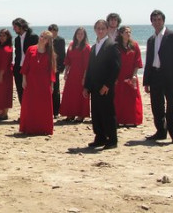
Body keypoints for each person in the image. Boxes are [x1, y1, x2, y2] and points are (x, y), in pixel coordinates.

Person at [143, 10, 173, 145]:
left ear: (163, 21)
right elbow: (149, 61)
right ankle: (161, 131)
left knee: (171, 105)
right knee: (157, 106)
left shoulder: (172, 35)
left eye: (159, 19)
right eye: (154, 20)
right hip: (154, 75)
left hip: (168, 76)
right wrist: (146, 81)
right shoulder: (151, 40)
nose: (157, 22)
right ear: (151, 22)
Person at [84, 20, 121, 150]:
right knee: (96, 113)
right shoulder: (94, 47)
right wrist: (86, 86)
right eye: (98, 28)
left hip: (105, 86)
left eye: (103, 28)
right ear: (95, 30)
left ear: (106, 30)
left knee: (108, 113)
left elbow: (115, 68)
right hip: (94, 86)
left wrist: (107, 85)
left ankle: (112, 139)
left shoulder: (112, 45)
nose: (100, 31)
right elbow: (90, 68)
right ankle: (100, 137)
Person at [19, 30, 56, 135]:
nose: (42, 39)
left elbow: (51, 71)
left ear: (48, 41)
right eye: (41, 36)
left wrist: (52, 85)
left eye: (45, 38)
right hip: (31, 82)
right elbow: (25, 66)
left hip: (44, 83)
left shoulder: (50, 53)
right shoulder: (31, 49)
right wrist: (24, 80)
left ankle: (43, 128)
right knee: (30, 105)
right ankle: (29, 128)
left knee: (43, 106)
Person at [59, 27, 91, 122]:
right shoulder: (71, 45)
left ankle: (81, 115)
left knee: (81, 94)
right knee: (70, 93)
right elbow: (68, 60)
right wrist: (66, 72)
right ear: (75, 35)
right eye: (78, 33)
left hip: (82, 73)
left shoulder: (86, 47)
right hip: (72, 73)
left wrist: (85, 77)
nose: (80, 35)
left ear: (84, 35)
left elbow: (87, 64)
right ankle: (70, 114)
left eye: (82, 34)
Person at [114, 26, 144, 126]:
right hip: (119, 75)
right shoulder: (116, 46)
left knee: (132, 98)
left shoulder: (134, 45)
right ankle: (118, 119)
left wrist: (134, 75)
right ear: (121, 34)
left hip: (131, 75)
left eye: (129, 32)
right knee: (118, 98)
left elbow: (137, 62)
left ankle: (131, 120)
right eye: (126, 32)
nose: (128, 34)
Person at [12, 18, 39, 104]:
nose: (13, 28)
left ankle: (31, 114)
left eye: (15, 26)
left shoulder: (33, 37)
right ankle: (23, 113)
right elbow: (17, 54)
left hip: (30, 69)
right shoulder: (16, 39)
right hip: (18, 69)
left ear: (22, 26)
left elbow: (37, 54)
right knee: (20, 92)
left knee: (31, 91)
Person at [48, 24, 66, 118]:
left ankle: (56, 111)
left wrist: (61, 67)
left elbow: (63, 54)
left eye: (54, 31)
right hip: (47, 68)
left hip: (56, 68)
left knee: (56, 89)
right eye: (51, 30)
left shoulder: (60, 40)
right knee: (47, 88)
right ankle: (48, 109)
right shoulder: (46, 40)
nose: (53, 32)